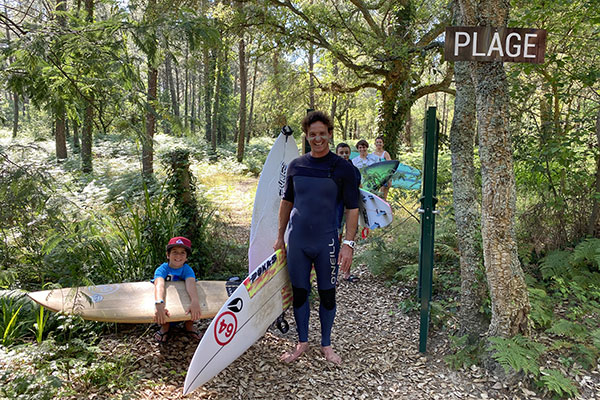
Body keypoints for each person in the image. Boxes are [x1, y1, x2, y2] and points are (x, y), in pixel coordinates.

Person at [274, 111, 359, 365]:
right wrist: (280, 237)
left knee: (327, 294)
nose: (318, 138)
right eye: (313, 134)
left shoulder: (343, 168)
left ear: (330, 134)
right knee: (299, 293)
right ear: (307, 136)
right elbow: (286, 202)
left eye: (322, 134)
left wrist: (348, 245)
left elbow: (352, 209)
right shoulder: (296, 166)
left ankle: (326, 345)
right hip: (297, 240)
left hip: (327, 242)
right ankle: (301, 342)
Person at [153, 236, 202, 343]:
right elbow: (159, 284)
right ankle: (165, 328)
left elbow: (190, 284)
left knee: (194, 297)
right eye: (174, 252)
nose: (178, 256)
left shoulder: (187, 269)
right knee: (163, 302)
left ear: (187, 257)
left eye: (182, 253)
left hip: (184, 307)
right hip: (168, 305)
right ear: (168, 255)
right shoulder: (163, 269)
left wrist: (195, 301)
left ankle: (189, 326)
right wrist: (159, 303)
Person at [335, 142, 361, 283]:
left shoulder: (354, 170)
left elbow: (360, 188)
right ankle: (332, 272)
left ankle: (346, 272)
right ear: (337, 153)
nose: (344, 155)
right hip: (337, 210)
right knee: (335, 240)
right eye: (341, 153)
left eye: (346, 152)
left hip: (351, 211)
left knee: (349, 242)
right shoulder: (333, 169)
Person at [371, 135, 392, 200]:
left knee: (383, 195)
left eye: (380, 142)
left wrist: (389, 178)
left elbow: (390, 165)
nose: (379, 144)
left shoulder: (385, 153)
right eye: (377, 142)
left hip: (384, 176)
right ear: (375, 144)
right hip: (375, 176)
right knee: (375, 194)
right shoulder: (372, 154)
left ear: (383, 144)